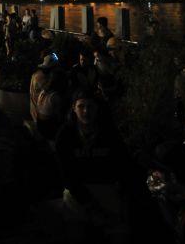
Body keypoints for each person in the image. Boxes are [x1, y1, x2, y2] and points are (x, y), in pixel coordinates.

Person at [54, 90, 132, 243]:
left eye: (90, 106)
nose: (86, 111)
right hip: (76, 195)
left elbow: (122, 164)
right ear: (73, 108)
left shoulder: (109, 133)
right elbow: (67, 175)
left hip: (106, 191)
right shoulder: (65, 135)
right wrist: (90, 205)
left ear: (97, 108)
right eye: (81, 106)